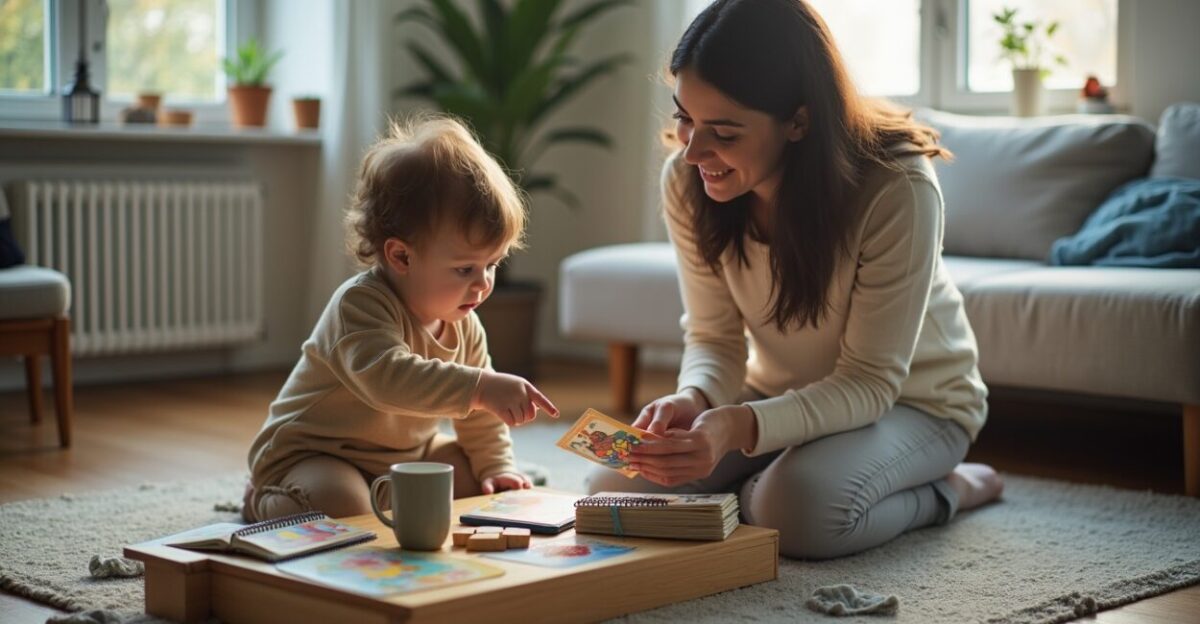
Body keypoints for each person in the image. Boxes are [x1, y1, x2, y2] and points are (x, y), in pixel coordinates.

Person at [586, 0, 1003, 559]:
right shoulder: (687, 183)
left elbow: (870, 382)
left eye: (724, 133)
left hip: (916, 404)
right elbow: (714, 337)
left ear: (799, 121)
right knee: (613, 489)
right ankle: (766, 482)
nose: (692, 151)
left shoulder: (897, 186)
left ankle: (950, 490)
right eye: (684, 117)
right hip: (777, 394)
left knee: (792, 512)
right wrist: (696, 397)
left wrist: (735, 428)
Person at [244, 115, 558, 522]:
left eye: (493, 264)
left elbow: (480, 418)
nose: (483, 284)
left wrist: (496, 468)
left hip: (401, 458)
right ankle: (262, 499)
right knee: (343, 505)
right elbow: (389, 380)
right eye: (465, 269)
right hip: (315, 454)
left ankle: (388, 504)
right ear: (401, 256)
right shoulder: (359, 306)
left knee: (472, 480)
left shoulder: (465, 324)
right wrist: (480, 387)